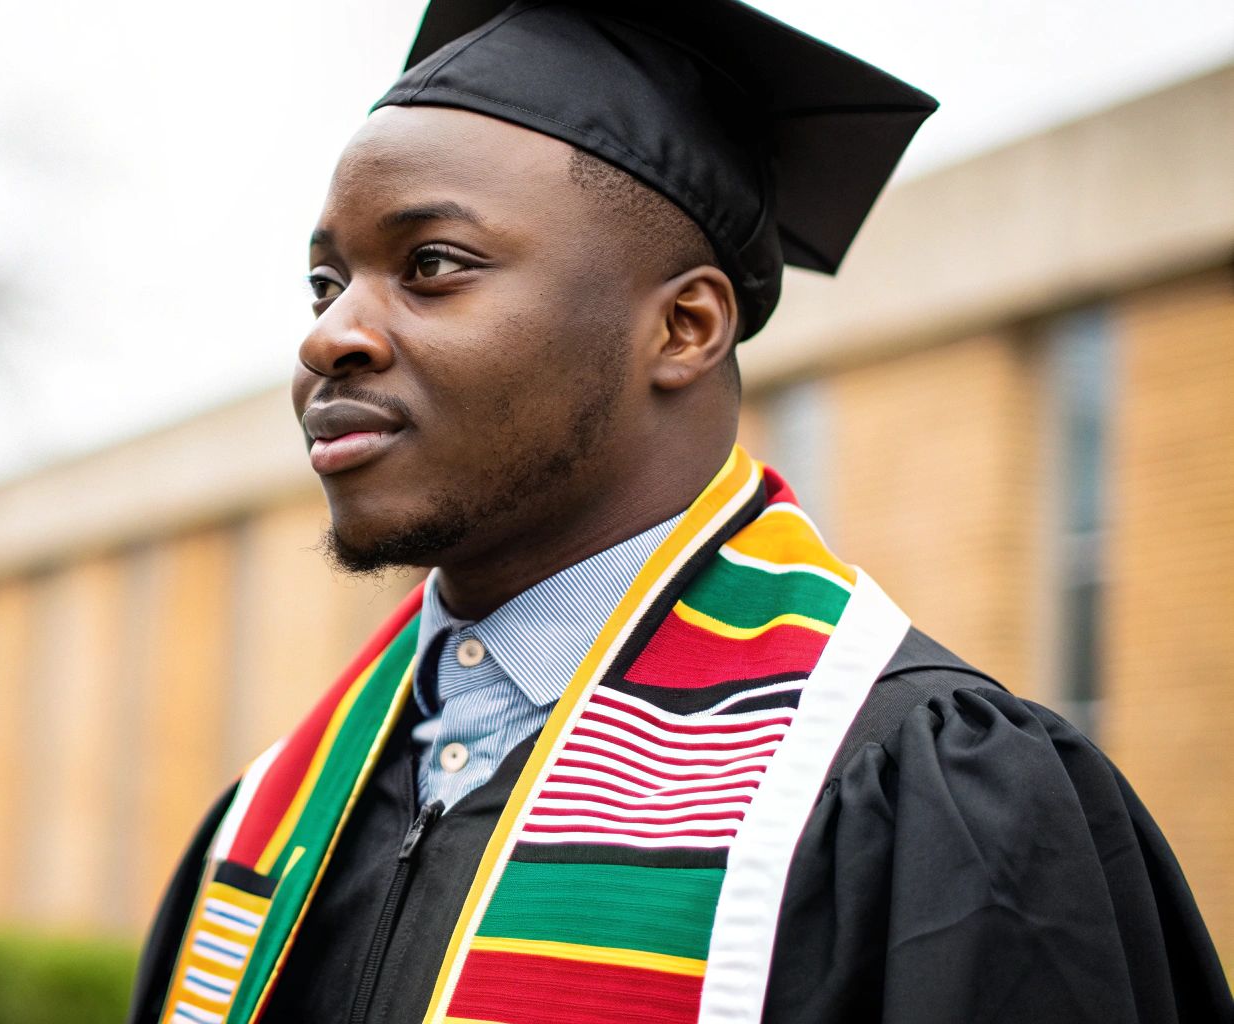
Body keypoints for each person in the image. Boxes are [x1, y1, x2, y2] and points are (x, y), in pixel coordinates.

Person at [127, 2, 1234, 1022]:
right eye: (326, 285)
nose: (330, 338)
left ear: (684, 329)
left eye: (430, 265)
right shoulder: (271, 825)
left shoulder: (917, 800)